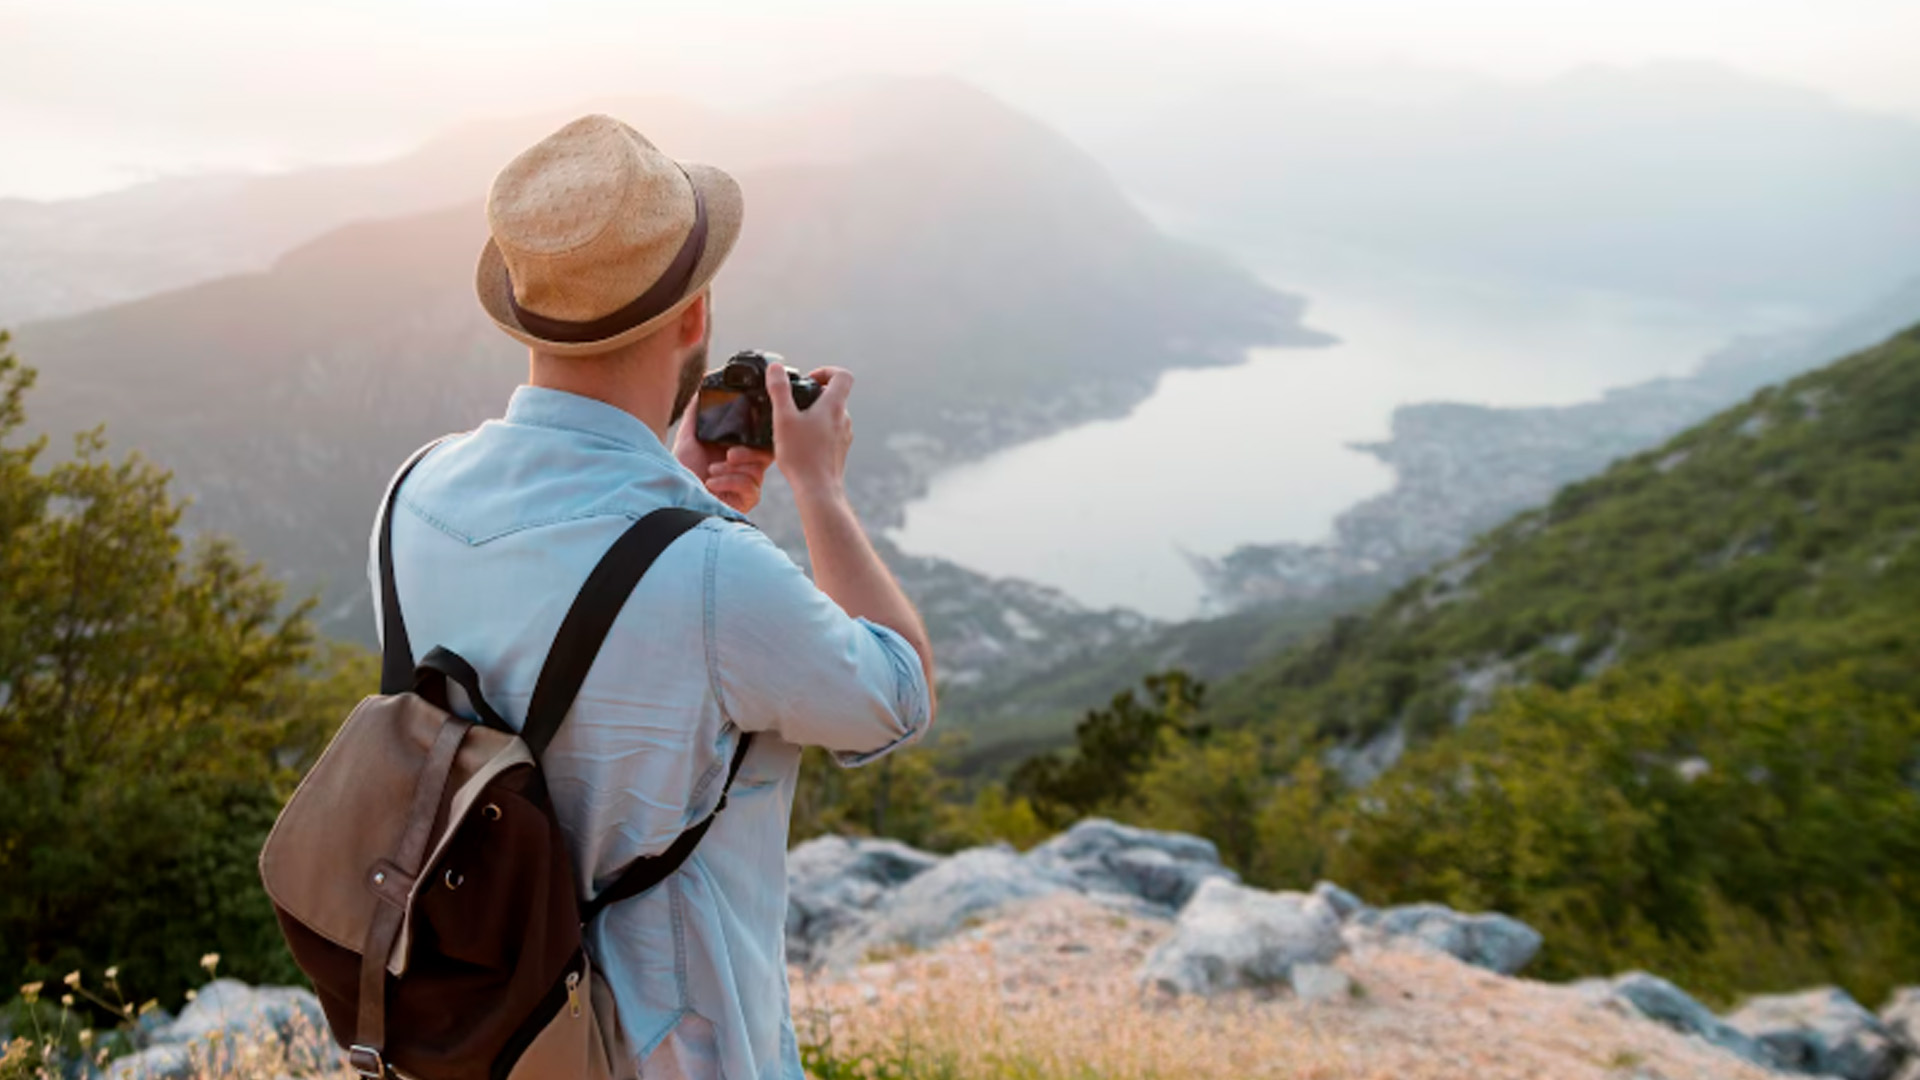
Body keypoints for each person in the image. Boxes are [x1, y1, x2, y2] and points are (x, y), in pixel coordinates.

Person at [369, 115, 936, 1080]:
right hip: (668, 1046)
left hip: (470, 1024)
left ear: (523, 312)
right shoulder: (712, 573)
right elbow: (897, 694)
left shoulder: (413, 491)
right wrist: (819, 489)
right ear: (693, 317)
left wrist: (671, 497)